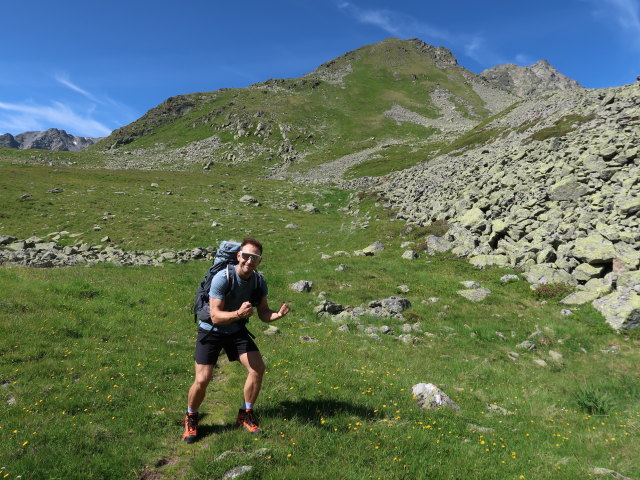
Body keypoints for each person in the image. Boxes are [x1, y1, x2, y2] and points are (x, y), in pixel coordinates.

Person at [182, 238, 290, 443]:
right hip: (211, 330)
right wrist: (239, 314)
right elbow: (215, 316)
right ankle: (191, 417)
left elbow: (264, 312)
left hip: (235, 331)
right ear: (239, 256)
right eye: (247, 256)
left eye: (255, 258)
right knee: (203, 379)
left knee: (257, 368)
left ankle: (245, 415)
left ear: (259, 261)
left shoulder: (259, 281)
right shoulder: (222, 278)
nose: (250, 261)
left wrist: (277, 316)